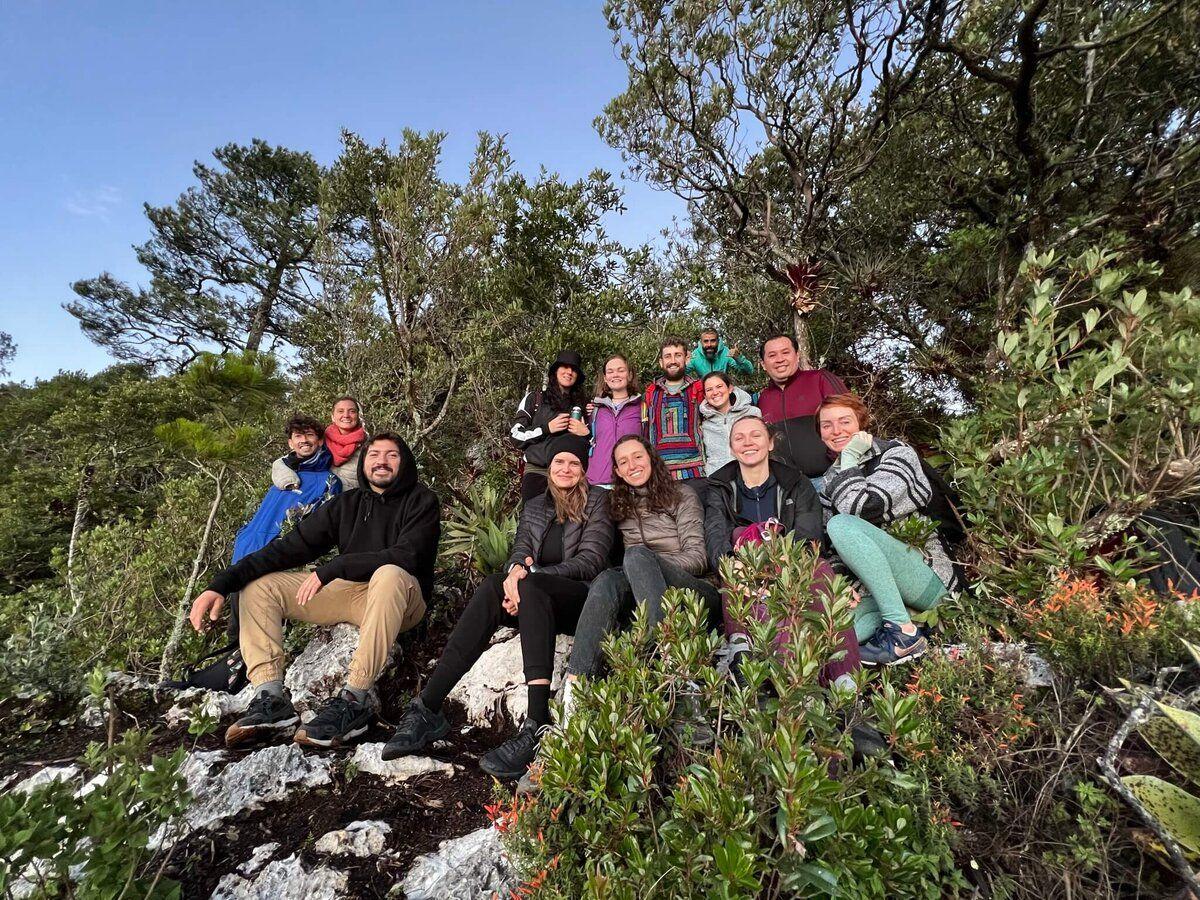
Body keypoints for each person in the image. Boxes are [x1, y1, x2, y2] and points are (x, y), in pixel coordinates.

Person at [188, 432, 440, 749]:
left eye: (392, 455)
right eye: (374, 454)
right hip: (351, 595)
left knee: (388, 574)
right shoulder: (346, 504)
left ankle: (355, 699)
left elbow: (408, 556)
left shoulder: (422, 501)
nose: (381, 461)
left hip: (402, 600)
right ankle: (271, 698)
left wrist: (335, 567)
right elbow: (286, 549)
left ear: (404, 463)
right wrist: (220, 585)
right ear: (364, 463)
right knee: (261, 586)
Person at [383, 439, 613, 781]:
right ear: (549, 468)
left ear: (584, 470)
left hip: (579, 599)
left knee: (530, 585)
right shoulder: (536, 505)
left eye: (573, 464)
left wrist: (528, 577)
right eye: (558, 463)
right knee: (493, 584)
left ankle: (536, 724)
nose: (565, 469)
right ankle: (427, 707)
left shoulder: (598, 501)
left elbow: (591, 561)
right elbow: (519, 551)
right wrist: (513, 579)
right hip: (533, 597)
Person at [705, 416, 860, 685]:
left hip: (792, 565)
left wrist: (777, 564)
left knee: (819, 568)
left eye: (755, 435)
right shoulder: (719, 487)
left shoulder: (796, 483)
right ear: (731, 448)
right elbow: (715, 533)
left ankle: (844, 680)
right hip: (743, 570)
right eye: (739, 438)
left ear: (770, 442)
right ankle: (748, 651)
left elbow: (809, 535)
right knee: (740, 535)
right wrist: (731, 561)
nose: (748, 443)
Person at [817, 393, 961, 666]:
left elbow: (861, 506)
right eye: (827, 425)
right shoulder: (827, 482)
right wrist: (841, 585)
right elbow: (832, 545)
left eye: (844, 421)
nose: (836, 431)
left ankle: (903, 632)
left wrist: (848, 458)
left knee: (842, 524)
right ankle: (914, 625)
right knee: (836, 638)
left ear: (861, 422)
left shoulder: (896, 453)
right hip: (876, 591)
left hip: (928, 576)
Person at [567, 435, 720, 687]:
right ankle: (576, 684)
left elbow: (698, 558)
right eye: (623, 461)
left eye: (638, 456)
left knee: (636, 555)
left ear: (651, 458)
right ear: (616, 471)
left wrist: (647, 563)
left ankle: (667, 659)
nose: (632, 465)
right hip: (643, 592)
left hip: (695, 592)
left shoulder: (681, 495)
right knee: (606, 579)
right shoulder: (618, 505)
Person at [236, 414, 342, 563]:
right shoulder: (282, 475)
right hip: (245, 552)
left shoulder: (328, 481)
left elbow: (322, 531)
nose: (304, 440)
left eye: (309, 435)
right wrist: (243, 536)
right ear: (291, 443)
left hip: (277, 561)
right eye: (298, 436)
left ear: (320, 441)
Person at [755, 334, 848, 480]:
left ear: (797, 356)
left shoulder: (820, 379)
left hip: (831, 478)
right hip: (790, 488)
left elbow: (852, 422)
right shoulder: (763, 399)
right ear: (763, 364)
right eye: (772, 355)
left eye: (786, 352)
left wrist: (837, 465)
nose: (780, 359)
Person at [511, 351, 590, 503]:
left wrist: (586, 434)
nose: (569, 372)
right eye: (565, 367)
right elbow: (515, 436)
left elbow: (596, 445)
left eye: (574, 370)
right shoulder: (535, 399)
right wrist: (546, 428)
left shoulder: (584, 406)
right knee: (534, 522)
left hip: (570, 476)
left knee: (569, 524)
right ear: (555, 371)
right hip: (538, 473)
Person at [643, 337, 707, 497]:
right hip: (660, 474)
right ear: (661, 362)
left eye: (678, 355)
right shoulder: (650, 393)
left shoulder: (699, 389)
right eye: (667, 356)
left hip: (695, 473)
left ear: (686, 358)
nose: (673, 361)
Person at [273, 397, 366, 492]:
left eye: (352, 411)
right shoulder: (320, 441)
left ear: (358, 416)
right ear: (333, 417)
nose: (346, 415)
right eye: (340, 411)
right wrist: (289, 482)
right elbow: (283, 462)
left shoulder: (367, 446)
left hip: (350, 502)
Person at [587, 354, 642, 488]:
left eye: (621, 370)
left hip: (631, 482)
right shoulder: (595, 409)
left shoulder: (642, 407)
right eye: (610, 372)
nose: (615, 375)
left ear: (629, 375)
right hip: (599, 482)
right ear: (605, 378)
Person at [699, 372, 761, 477]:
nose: (715, 392)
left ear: (730, 388)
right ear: (705, 396)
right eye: (709, 390)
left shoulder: (752, 413)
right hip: (717, 482)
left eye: (719, 386)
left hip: (751, 477)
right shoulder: (704, 424)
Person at [687, 327, 755, 379]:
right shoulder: (695, 356)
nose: (709, 345)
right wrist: (683, 362)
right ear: (701, 342)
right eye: (706, 341)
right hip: (704, 391)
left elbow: (749, 371)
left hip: (722, 391)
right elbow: (679, 375)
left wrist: (739, 358)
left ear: (718, 341)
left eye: (713, 341)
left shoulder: (726, 353)